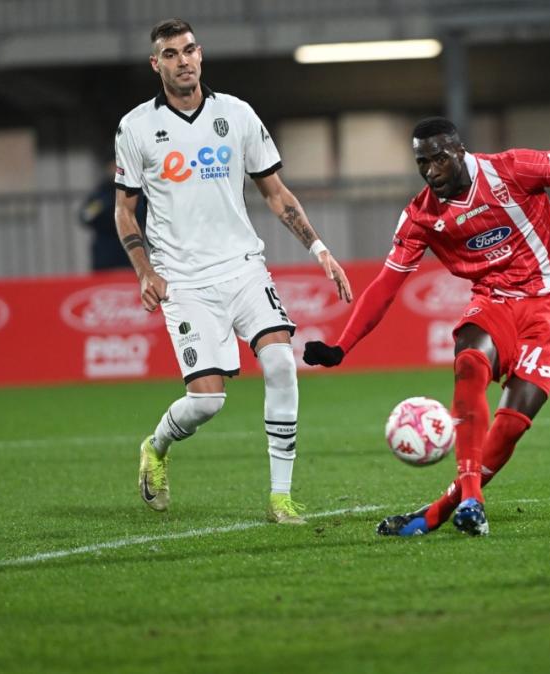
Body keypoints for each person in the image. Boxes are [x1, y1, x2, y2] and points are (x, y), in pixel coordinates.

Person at [302, 117, 550, 537]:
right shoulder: (420, 217)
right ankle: (471, 499)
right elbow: (385, 287)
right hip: (494, 302)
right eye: (422, 163)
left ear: (460, 152)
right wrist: (342, 346)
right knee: (469, 360)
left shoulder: (511, 169)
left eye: (439, 159)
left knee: (512, 422)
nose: (431, 171)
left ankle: (439, 510)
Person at [114, 18, 352, 525]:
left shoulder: (237, 114)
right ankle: (155, 447)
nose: (183, 61)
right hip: (184, 282)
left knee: (283, 365)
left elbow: (275, 193)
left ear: (201, 55)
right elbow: (124, 210)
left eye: (190, 50)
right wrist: (144, 272)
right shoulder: (135, 128)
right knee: (206, 404)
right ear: (156, 64)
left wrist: (320, 249)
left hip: (244, 269)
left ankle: (281, 498)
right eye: (171, 54)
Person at [81, 159, 146, 271]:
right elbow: (86, 216)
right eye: (113, 166)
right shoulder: (101, 194)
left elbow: (142, 215)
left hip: (130, 248)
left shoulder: (134, 191)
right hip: (105, 250)